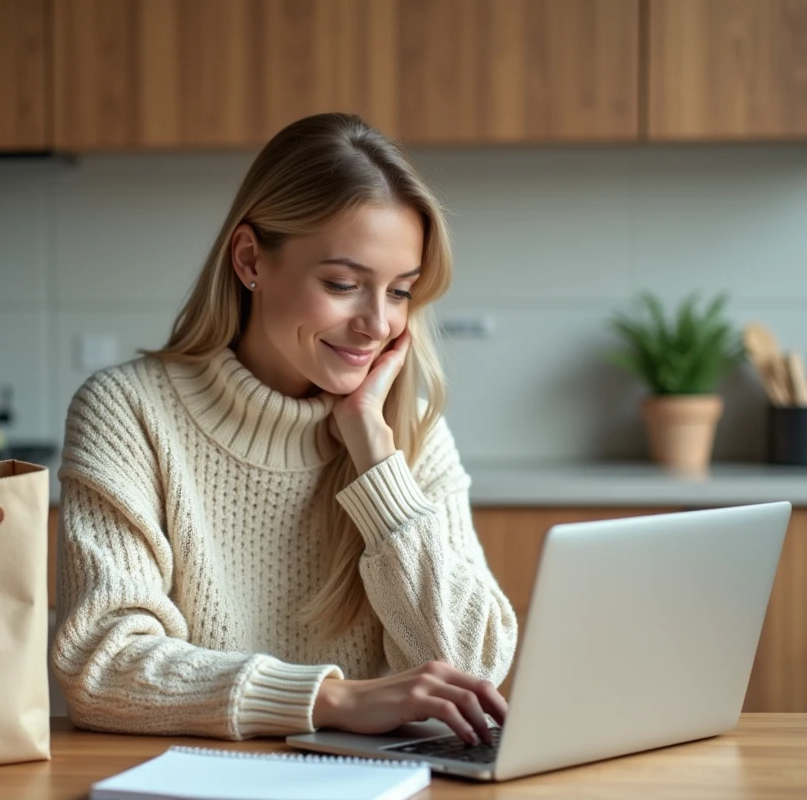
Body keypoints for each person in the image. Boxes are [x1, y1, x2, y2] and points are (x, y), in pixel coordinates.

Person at [53, 112, 518, 746]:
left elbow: (473, 672)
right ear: (250, 259)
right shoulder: (128, 412)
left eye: (400, 291)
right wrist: (332, 699)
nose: (378, 324)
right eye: (343, 284)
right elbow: (101, 666)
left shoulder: (407, 433)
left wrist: (378, 463)